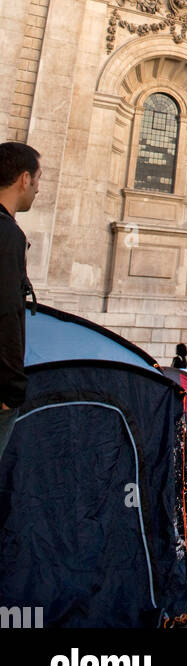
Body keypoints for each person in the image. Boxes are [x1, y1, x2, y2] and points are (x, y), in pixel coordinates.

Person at [0, 143, 41, 463]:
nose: (38, 189)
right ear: (24, 179)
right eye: (38, 179)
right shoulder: (8, 235)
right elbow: (7, 314)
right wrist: (12, 391)